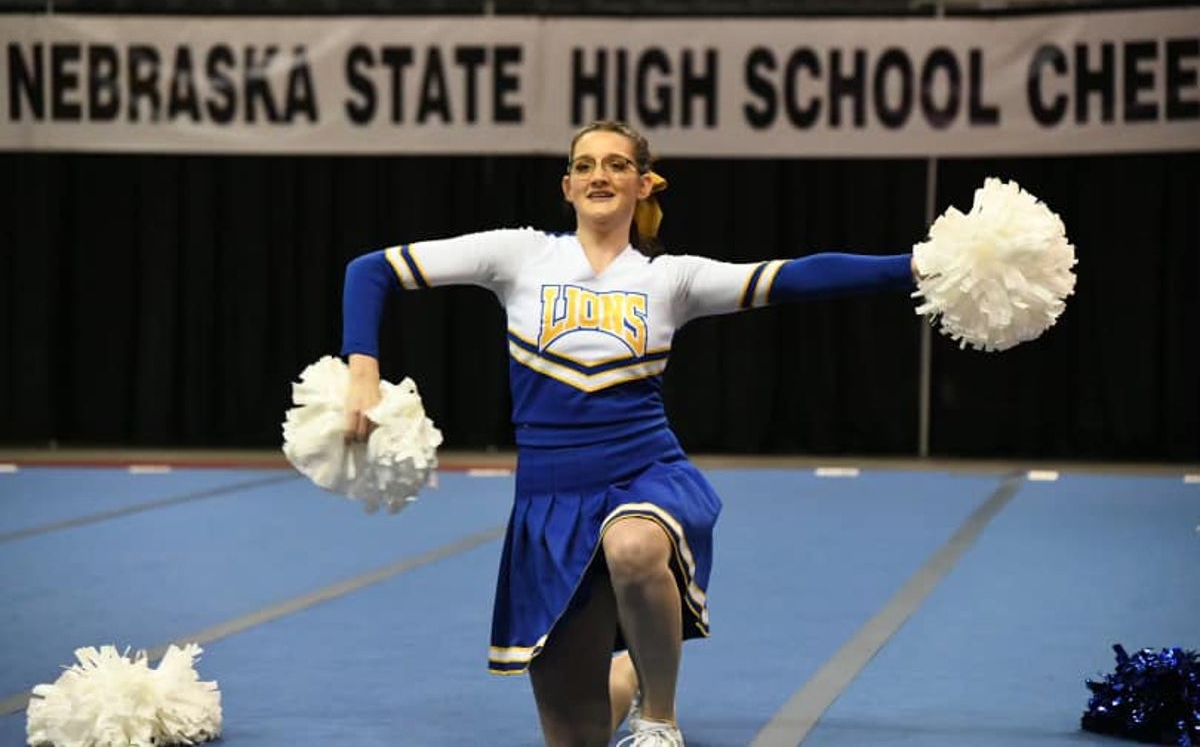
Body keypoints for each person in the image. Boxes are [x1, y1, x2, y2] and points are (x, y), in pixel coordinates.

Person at [340, 120, 917, 746]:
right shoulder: (520, 255)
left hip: (644, 474)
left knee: (634, 547)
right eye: (585, 165)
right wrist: (363, 370)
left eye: (616, 165)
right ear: (566, 185)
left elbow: (796, 276)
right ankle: (631, 678)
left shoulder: (672, 279)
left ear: (643, 185)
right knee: (574, 736)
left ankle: (659, 719)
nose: (599, 176)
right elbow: (370, 270)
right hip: (550, 502)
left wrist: (915, 266)